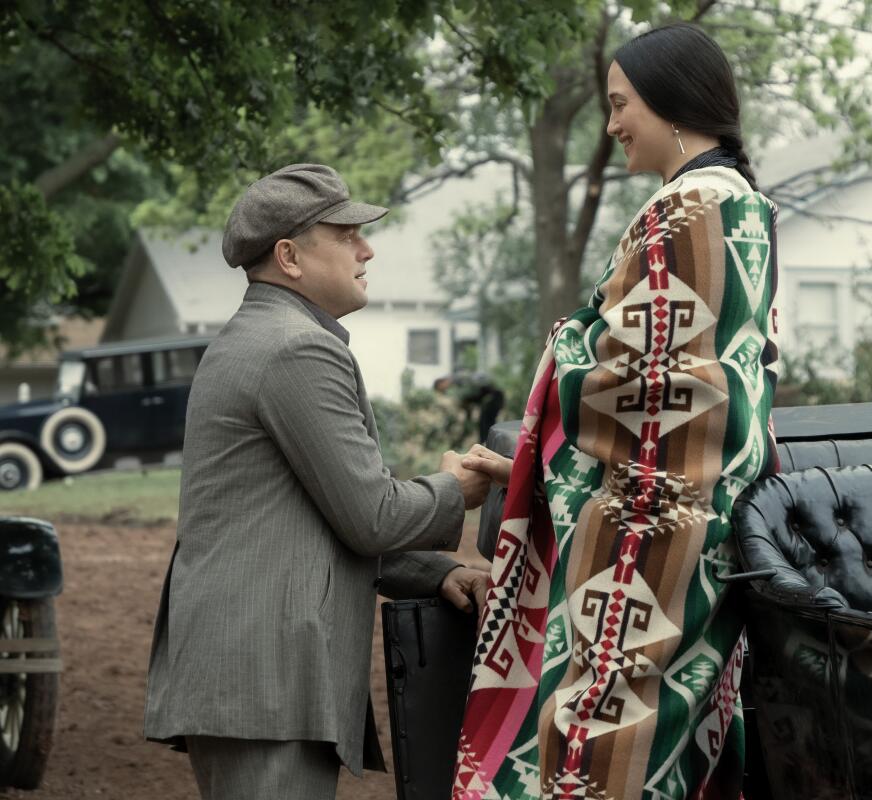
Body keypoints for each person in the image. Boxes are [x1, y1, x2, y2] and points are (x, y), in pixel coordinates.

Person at [452, 24, 780, 799]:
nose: (611, 125)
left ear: (669, 106)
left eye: (619, 104)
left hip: (646, 537)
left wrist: (568, 338)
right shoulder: (740, 203)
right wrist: (528, 461)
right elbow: (697, 392)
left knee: (595, 744)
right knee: (663, 734)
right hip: (700, 523)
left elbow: (636, 388)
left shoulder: (686, 207)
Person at [143, 163, 493, 800]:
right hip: (267, 680)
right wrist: (456, 489)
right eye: (346, 234)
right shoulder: (295, 348)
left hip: (252, 679)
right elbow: (372, 517)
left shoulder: (265, 337)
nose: (367, 248)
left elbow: (322, 523)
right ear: (289, 256)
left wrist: (438, 574)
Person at [435, 371, 507, 444]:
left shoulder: (459, 379)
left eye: (442, 389)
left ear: (441, 383)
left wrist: (465, 402)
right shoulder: (458, 382)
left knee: (486, 425)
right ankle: (487, 445)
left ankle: (488, 446)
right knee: (484, 425)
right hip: (491, 398)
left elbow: (474, 391)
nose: (445, 391)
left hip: (493, 398)